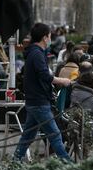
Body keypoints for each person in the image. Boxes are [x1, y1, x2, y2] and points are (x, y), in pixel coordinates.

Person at [13, 23, 71, 161]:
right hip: (39, 101)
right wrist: (62, 81)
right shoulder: (37, 54)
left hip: (34, 100)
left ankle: (15, 162)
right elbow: (45, 75)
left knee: (28, 136)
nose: (50, 38)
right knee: (55, 134)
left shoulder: (34, 53)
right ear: (45, 38)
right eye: (50, 36)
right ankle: (68, 164)